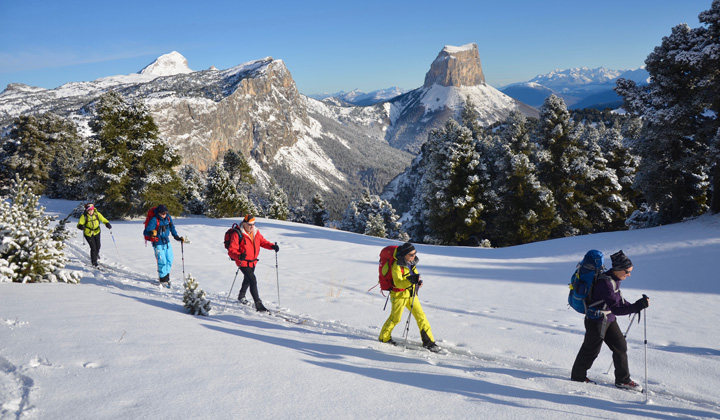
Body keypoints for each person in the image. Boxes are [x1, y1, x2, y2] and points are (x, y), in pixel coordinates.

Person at [571, 250, 649, 391]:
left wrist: (637, 305)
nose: (629, 274)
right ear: (618, 269)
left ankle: (623, 380)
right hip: (596, 320)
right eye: (627, 271)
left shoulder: (615, 280)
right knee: (591, 350)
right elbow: (618, 309)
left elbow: (619, 302)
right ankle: (578, 376)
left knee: (621, 347)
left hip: (608, 319)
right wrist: (637, 306)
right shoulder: (605, 284)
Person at [378, 242, 440, 352]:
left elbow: (415, 275)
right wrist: (410, 281)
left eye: (415, 253)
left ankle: (429, 342)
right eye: (411, 254)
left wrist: (418, 282)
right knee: (395, 318)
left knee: (421, 316)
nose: (414, 256)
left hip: (411, 294)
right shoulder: (396, 265)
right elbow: (398, 283)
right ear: (405, 254)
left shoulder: (411, 262)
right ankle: (384, 337)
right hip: (398, 295)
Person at [227, 214, 279, 312]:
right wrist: (238, 256)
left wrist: (272, 246)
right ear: (244, 223)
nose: (252, 226)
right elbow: (231, 250)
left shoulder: (255, 232)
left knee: (247, 279)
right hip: (242, 261)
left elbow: (262, 242)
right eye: (250, 224)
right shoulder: (238, 233)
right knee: (252, 280)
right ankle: (258, 304)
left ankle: (241, 296)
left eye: (253, 224)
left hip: (253, 261)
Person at [143, 204, 184, 286]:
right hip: (157, 242)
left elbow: (172, 227)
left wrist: (176, 237)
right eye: (162, 213)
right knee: (162, 261)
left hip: (167, 242)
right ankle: (163, 279)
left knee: (170, 259)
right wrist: (151, 233)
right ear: (158, 213)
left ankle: (166, 277)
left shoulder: (168, 218)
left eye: (165, 212)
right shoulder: (154, 220)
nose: (164, 214)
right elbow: (145, 231)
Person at [77, 203, 112, 268]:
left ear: (93, 209)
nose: (90, 212)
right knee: (93, 248)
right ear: (87, 210)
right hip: (88, 233)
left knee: (98, 245)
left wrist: (107, 223)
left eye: (91, 210)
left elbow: (103, 219)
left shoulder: (97, 214)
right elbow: (79, 224)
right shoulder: (84, 216)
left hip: (97, 231)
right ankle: (94, 262)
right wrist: (80, 226)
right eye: (89, 211)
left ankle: (96, 254)